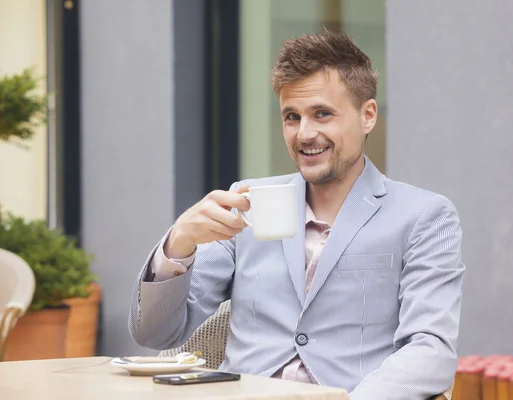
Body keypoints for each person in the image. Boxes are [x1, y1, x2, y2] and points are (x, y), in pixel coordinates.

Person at [129, 29, 465, 399]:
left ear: (368, 115)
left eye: (322, 114)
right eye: (292, 116)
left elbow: (430, 349)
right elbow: (156, 334)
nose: (305, 133)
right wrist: (180, 243)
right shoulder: (247, 203)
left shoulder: (424, 216)